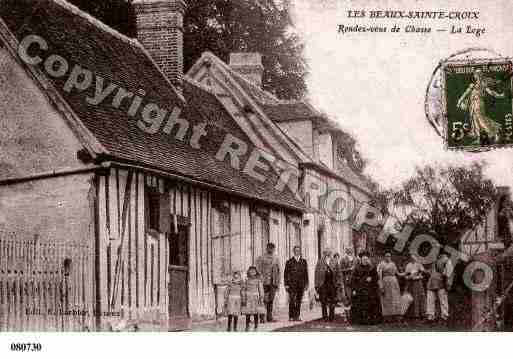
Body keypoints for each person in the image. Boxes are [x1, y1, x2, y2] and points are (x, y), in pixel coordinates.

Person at [350, 251, 381, 325]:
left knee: (371, 304)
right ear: (361, 260)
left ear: (368, 260)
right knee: (359, 305)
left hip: (370, 290)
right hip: (359, 289)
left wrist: (372, 279)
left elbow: (376, 277)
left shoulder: (372, 267)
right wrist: (354, 289)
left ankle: (370, 320)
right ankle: (360, 320)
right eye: (363, 259)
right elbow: (353, 280)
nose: (365, 261)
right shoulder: (356, 268)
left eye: (366, 259)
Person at [256, 243, 280, 322]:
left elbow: (279, 271)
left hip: (273, 282)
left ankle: (269, 317)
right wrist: (261, 278)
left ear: (274, 249)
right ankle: (262, 317)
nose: (271, 250)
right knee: (264, 300)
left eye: (272, 248)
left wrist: (278, 283)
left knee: (271, 300)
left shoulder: (276, 258)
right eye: (269, 248)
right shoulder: (261, 258)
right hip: (264, 282)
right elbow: (258, 270)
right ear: (266, 248)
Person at [426, 253, 453, 322]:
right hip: (431, 282)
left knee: (443, 300)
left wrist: (448, 283)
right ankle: (430, 316)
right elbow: (431, 271)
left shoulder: (446, 260)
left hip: (441, 282)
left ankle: (444, 316)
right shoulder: (433, 259)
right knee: (430, 300)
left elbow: (449, 273)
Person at [284, 245, 309, 321]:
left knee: (298, 300)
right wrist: (286, 284)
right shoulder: (289, 262)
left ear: (300, 252)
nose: (297, 252)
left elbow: (306, 273)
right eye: (296, 250)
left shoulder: (303, 261)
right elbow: (286, 274)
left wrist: (306, 284)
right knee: (292, 300)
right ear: (293, 251)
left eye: (298, 250)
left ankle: (297, 316)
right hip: (292, 285)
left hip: (301, 285)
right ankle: (291, 316)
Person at [377, 252, 403, 322]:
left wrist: (406, 273)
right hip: (386, 282)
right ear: (384, 257)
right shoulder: (381, 264)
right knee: (386, 298)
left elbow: (398, 273)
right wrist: (381, 285)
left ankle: (395, 315)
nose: (388, 257)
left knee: (395, 298)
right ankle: (387, 317)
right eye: (386, 256)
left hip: (394, 282)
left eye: (389, 256)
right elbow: (379, 275)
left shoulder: (393, 264)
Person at [315, 249, 337, 321]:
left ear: (331, 253)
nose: (328, 253)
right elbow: (316, 273)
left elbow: (338, 273)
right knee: (323, 301)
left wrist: (338, 283)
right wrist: (316, 285)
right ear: (324, 253)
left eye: (329, 252)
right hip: (323, 284)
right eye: (326, 252)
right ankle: (325, 316)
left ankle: (331, 316)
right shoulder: (320, 261)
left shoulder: (334, 261)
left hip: (332, 283)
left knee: (332, 301)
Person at [241, 266, 264, 331]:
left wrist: (261, 297)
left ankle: (256, 326)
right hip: (248, 298)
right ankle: (247, 326)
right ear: (248, 272)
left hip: (255, 298)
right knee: (247, 313)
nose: (252, 272)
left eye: (253, 271)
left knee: (255, 312)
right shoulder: (246, 280)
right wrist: (243, 297)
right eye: (251, 271)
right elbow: (243, 289)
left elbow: (261, 289)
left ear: (256, 272)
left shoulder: (258, 280)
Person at [404, 253, 426, 319]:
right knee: (414, 298)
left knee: (422, 296)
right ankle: (415, 315)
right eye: (411, 258)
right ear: (410, 259)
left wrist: (420, 275)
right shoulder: (408, 265)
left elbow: (422, 272)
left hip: (419, 282)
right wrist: (409, 277)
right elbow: (406, 275)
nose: (413, 259)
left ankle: (423, 313)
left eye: (414, 258)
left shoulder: (419, 264)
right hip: (412, 283)